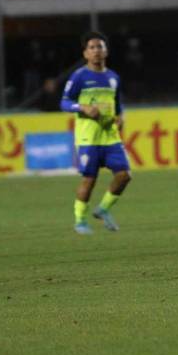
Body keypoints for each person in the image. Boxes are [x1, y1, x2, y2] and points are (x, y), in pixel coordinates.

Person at [60, 32, 131, 235]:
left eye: (100, 47)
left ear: (106, 51)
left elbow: (117, 105)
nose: (96, 51)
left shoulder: (113, 77)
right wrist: (82, 107)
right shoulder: (79, 76)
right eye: (92, 47)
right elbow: (64, 102)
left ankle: (103, 209)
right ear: (85, 53)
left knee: (124, 175)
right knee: (89, 179)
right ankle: (80, 220)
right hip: (88, 137)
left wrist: (120, 117)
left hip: (110, 135)